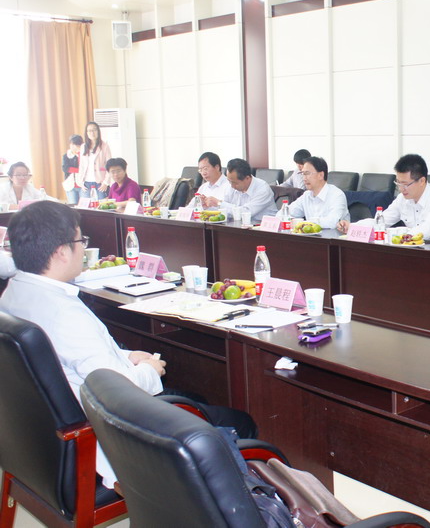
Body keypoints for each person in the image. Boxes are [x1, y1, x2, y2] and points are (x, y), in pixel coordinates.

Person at [0, 201, 258, 488]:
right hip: (102, 435)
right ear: (61, 251)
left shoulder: (15, 292)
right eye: (81, 241)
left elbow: (75, 354)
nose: (84, 249)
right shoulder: (63, 313)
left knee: (192, 398)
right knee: (239, 421)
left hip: (36, 438)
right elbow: (116, 393)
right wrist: (150, 370)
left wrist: (128, 355)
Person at [337, 154, 430, 245]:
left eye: (405, 184)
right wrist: (352, 227)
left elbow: (426, 231)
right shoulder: (403, 198)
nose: (401, 189)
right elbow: (382, 221)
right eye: (398, 183)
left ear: (422, 181)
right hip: (416, 248)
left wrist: (395, 235)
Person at [205, 158, 277, 222]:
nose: (232, 186)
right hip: (240, 226)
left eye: (235, 183)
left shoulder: (262, 189)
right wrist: (208, 206)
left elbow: (245, 212)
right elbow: (226, 210)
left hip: (263, 228)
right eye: (229, 181)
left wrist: (219, 203)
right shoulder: (231, 186)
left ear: (247, 178)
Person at [288, 156, 349, 229]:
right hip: (311, 236)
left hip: (333, 236)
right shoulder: (307, 195)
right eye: (303, 174)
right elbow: (286, 212)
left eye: (307, 173)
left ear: (321, 175)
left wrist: (305, 223)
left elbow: (333, 223)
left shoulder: (337, 195)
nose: (304, 178)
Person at [76, 121, 113, 199]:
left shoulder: (105, 146)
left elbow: (110, 166)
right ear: (86, 133)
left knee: (102, 205)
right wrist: (80, 182)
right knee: (85, 205)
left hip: (100, 183)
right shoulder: (83, 146)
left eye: (94, 130)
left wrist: (106, 182)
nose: (92, 133)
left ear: (98, 131)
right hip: (86, 183)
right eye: (89, 130)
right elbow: (81, 165)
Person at [61, 134, 83, 205]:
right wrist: (78, 170)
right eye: (72, 144)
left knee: (84, 206)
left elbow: (84, 168)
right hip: (70, 185)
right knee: (73, 206)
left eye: (76, 145)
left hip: (82, 185)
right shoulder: (66, 156)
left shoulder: (83, 155)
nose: (74, 147)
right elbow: (65, 168)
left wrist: (79, 153)